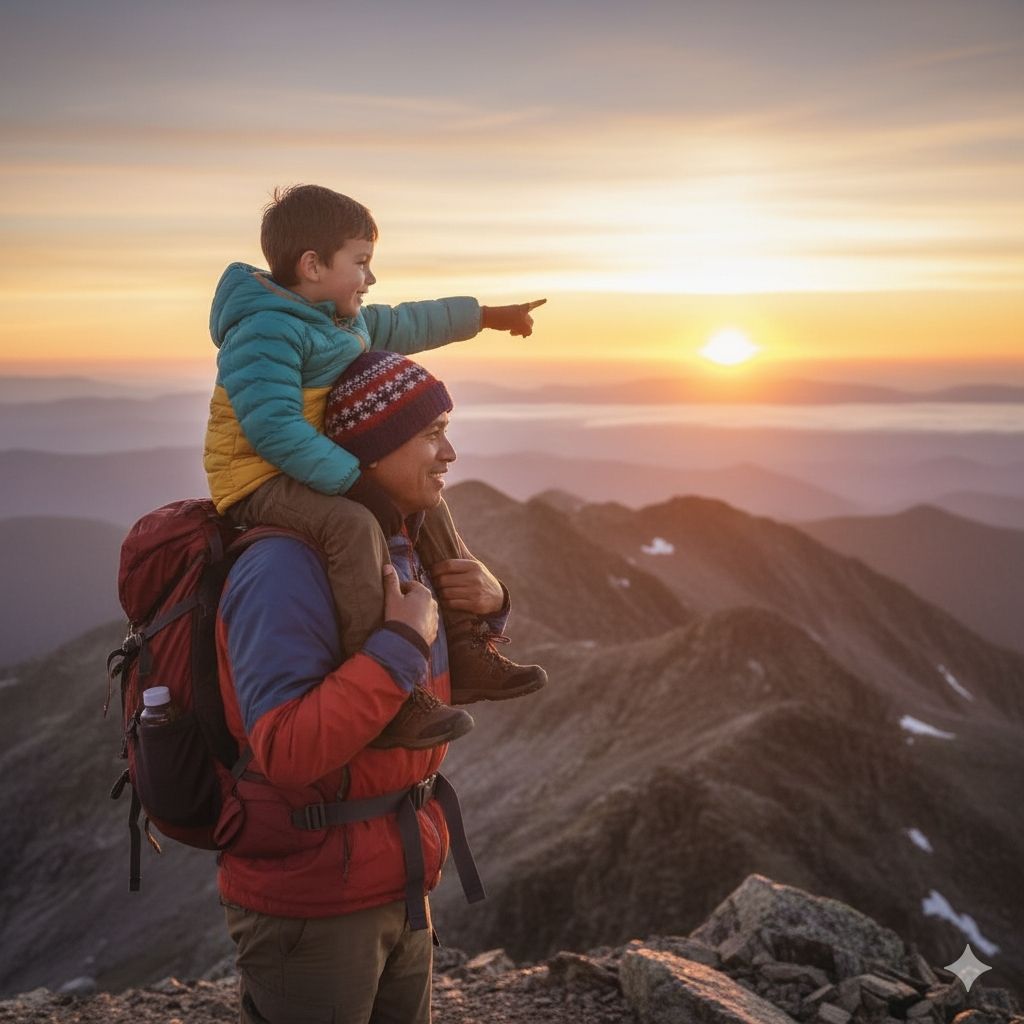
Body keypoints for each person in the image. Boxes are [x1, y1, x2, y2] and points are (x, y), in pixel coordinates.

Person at [215, 356, 510, 1023]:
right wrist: (402, 641)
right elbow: (286, 751)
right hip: (313, 904)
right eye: (432, 433)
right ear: (372, 447)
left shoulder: (396, 546)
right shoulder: (283, 567)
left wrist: (490, 609)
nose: (451, 452)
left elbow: (404, 696)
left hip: (398, 879)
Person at [204, 183, 546, 750]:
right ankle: (394, 690)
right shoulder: (265, 329)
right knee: (352, 525)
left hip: (306, 463)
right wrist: (355, 484)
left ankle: (466, 647)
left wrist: (485, 315)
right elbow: (271, 430)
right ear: (312, 266)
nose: (371, 278)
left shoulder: (337, 320)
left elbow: (410, 322)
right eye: (360, 263)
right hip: (256, 477)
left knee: (425, 503)